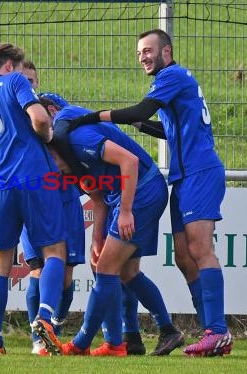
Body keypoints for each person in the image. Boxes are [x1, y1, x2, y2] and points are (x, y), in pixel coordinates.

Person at [67, 28, 232, 357]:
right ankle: (209, 333)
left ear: (166, 52)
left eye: (148, 50)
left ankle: (217, 331)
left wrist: (91, 117)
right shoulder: (175, 82)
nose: (143, 57)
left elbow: (141, 111)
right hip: (184, 176)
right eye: (139, 52)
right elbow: (171, 129)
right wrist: (143, 127)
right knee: (184, 258)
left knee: (200, 249)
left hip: (200, 172)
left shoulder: (171, 75)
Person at [43, 100, 183, 357]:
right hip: (130, 193)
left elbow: (129, 162)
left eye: (49, 159)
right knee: (126, 272)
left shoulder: (78, 139)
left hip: (142, 191)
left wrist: (127, 211)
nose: (50, 168)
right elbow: (97, 199)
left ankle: (82, 344)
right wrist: (97, 239)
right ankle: (163, 331)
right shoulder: (68, 156)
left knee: (107, 268)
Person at [0, 43, 67, 355]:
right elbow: (41, 120)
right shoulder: (14, 82)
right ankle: (45, 319)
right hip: (34, 177)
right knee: (54, 252)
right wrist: (46, 137)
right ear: (9, 66)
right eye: (20, 68)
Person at [18, 91, 85, 356]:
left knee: (66, 277)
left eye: (33, 81)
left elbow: (75, 164)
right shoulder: (21, 126)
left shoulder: (61, 124)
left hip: (67, 205)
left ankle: (54, 327)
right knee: (37, 269)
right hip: (35, 205)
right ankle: (38, 338)